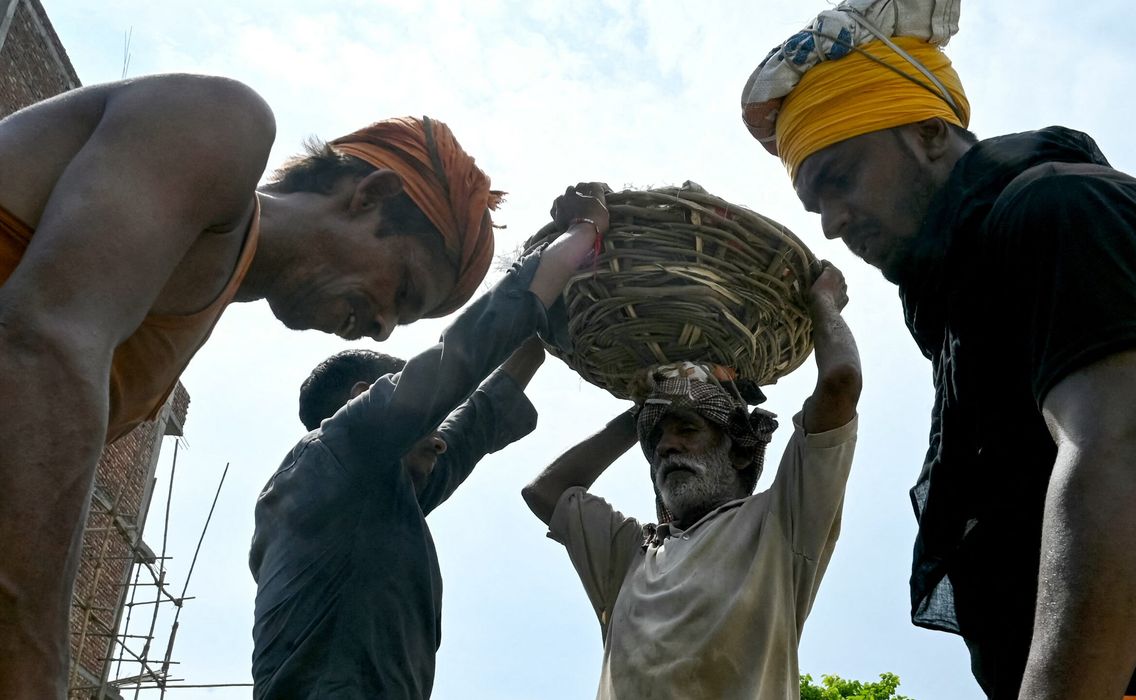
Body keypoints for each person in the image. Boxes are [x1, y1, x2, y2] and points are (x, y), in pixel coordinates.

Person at [741, 2, 1136, 698]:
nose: (831, 223)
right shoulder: (963, 306)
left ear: (926, 133)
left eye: (840, 177)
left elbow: (1124, 450)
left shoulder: (1057, 210)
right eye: (814, 203)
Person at [0, 72, 501, 697]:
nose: (380, 330)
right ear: (370, 194)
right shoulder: (220, 122)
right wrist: (30, 660)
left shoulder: (187, 312)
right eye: (401, 291)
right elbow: (41, 346)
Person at [249, 183, 609, 699]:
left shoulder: (382, 496)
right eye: (427, 422)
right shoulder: (328, 461)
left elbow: (482, 407)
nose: (439, 444)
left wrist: (551, 308)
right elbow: (464, 356)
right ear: (365, 400)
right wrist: (583, 233)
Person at [522, 262, 861, 699]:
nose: (665, 447)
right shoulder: (631, 555)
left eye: (687, 429)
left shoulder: (778, 525)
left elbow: (840, 383)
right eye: (657, 440)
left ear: (738, 450)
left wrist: (823, 303)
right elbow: (545, 492)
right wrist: (648, 405)